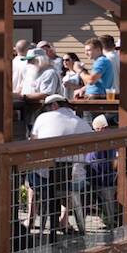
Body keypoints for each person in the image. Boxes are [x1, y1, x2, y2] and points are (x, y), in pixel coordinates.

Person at [29, 92, 92, 236]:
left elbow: (32, 144)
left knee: (32, 176)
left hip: (45, 179)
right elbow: (92, 149)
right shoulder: (81, 122)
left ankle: (31, 217)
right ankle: (64, 220)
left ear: (54, 105)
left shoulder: (42, 118)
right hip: (74, 180)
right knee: (69, 182)